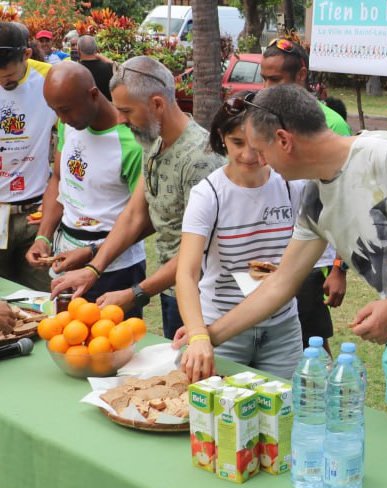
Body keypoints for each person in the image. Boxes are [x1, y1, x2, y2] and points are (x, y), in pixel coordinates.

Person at [184, 83, 387, 451]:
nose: (260, 161)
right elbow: (281, 282)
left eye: (262, 150)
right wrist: (206, 336)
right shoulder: (314, 200)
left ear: (283, 140)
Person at [49, 56, 226, 338]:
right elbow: (134, 215)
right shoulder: (152, 139)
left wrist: (136, 293)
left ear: (157, 104)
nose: (120, 119)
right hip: (172, 290)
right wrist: (94, 267)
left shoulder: (200, 159)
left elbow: (199, 251)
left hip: (204, 296)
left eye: (126, 111)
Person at [176, 93, 304, 381]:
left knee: (285, 415)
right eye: (237, 142)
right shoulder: (208, 195)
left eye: (257, 144)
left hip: (281, 328)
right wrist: (198, 335)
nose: (249, 155)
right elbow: (186, 272)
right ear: (222, 138)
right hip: (221, 324)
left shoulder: (291, 184)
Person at [26, 62, 145, 317]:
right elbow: (59, 180)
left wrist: (92, 253)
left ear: (93, 95)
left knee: (111, 347)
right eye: (54, 110)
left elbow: (144, 219)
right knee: (67, 339)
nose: (61, 118)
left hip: (116, 269)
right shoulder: (68, 124)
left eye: (66, 110)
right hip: (65, 257)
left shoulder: (132, 142)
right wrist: (43, 237)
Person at [261, 37, 352, 354]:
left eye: (275, 79)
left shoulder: (331, 124)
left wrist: (339, 267)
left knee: (310, 341)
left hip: (311, 257)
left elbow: (344, 200)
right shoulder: (263, 117)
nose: (267, 87)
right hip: (268, 253)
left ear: (301, 75)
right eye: (264, 78)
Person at [0, 22, 56, 291]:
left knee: (44, 301)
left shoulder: (52, 80)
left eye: (8, 77)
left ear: (26, 55)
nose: (2, 83)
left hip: (35, 216)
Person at [76, 35, 113, 101]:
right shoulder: (109, 67)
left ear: (78, 50)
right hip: (108, 109)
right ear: (96, 48)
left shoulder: (75, 71)